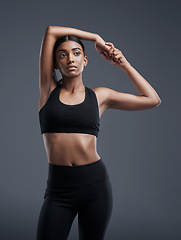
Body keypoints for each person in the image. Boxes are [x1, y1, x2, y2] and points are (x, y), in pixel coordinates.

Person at [36, 26, 161, 240]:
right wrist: (95, 37)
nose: (70, 59)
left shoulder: (100, 96)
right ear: (56, 63)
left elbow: (152, 99)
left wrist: (124, 64)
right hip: (58, 189)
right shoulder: (48, 90)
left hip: (95, 187)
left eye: (76, 53)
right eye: (62, 55)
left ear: (85, 60)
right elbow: (50, 31)